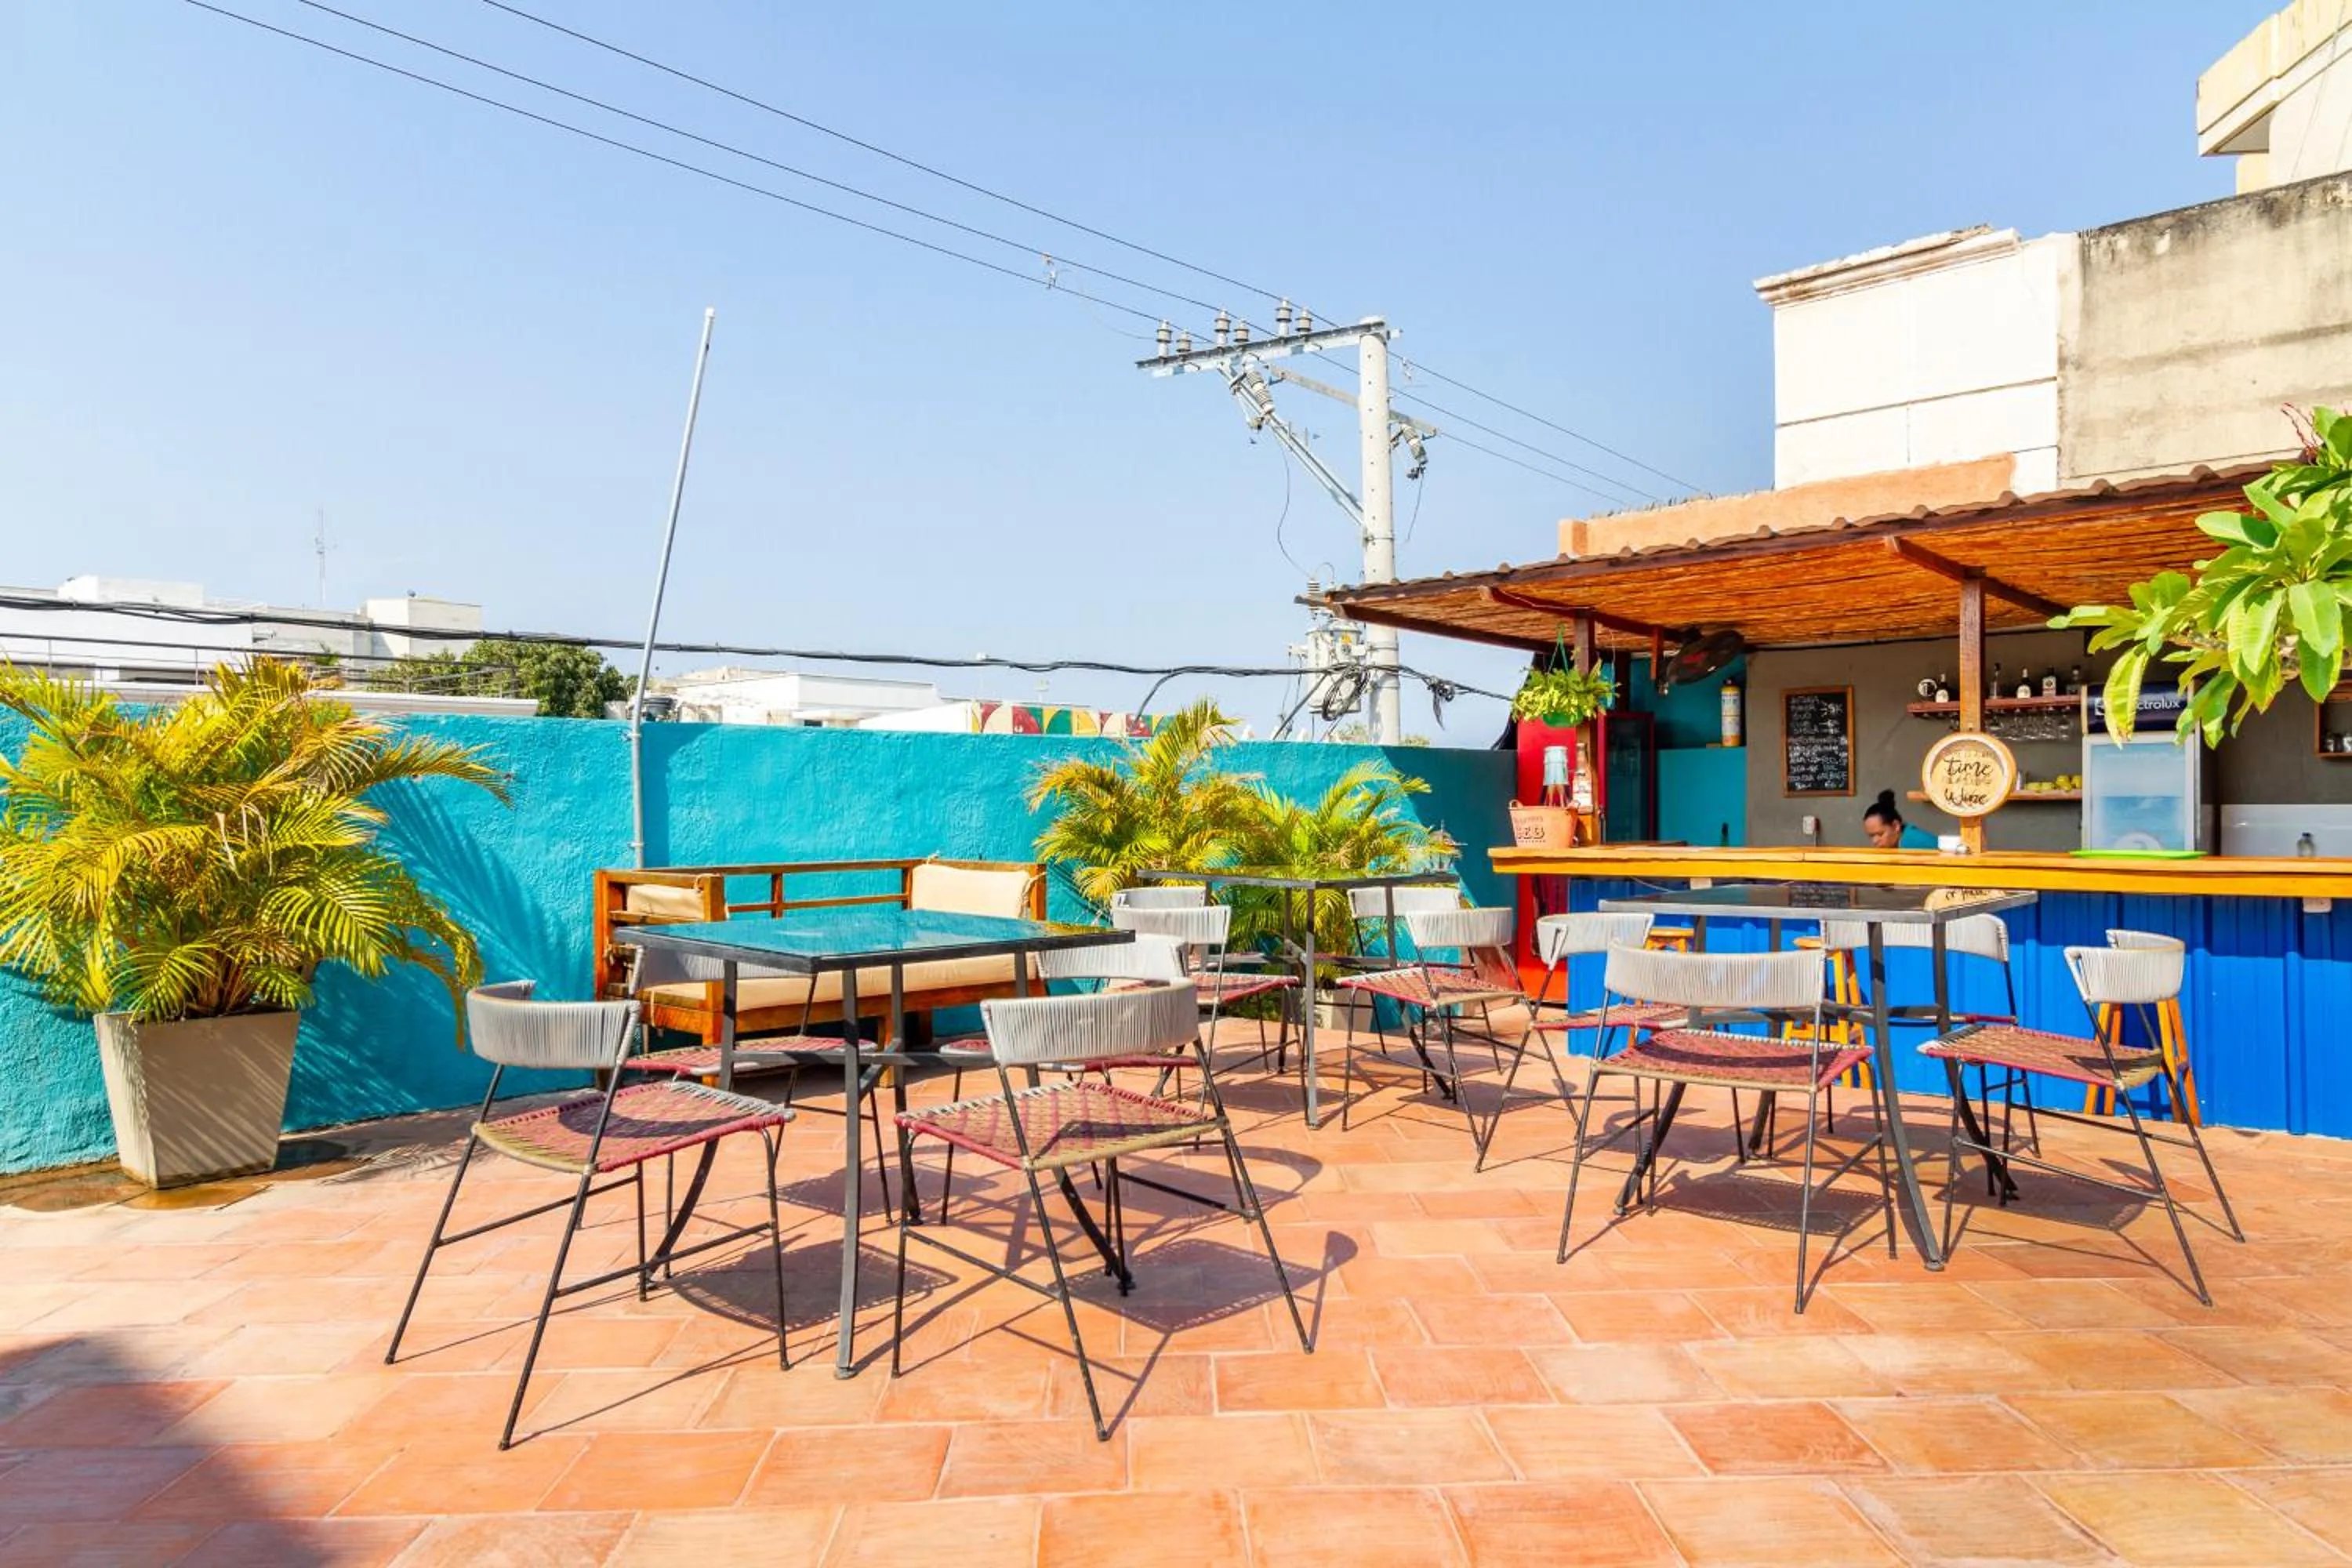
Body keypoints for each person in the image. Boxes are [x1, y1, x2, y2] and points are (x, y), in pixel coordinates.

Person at [1864, 789, 1937, 850]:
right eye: (1872, 836)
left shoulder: (1911, 842)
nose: (1875, 841)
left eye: (1880, 834)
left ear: (1896, 826)